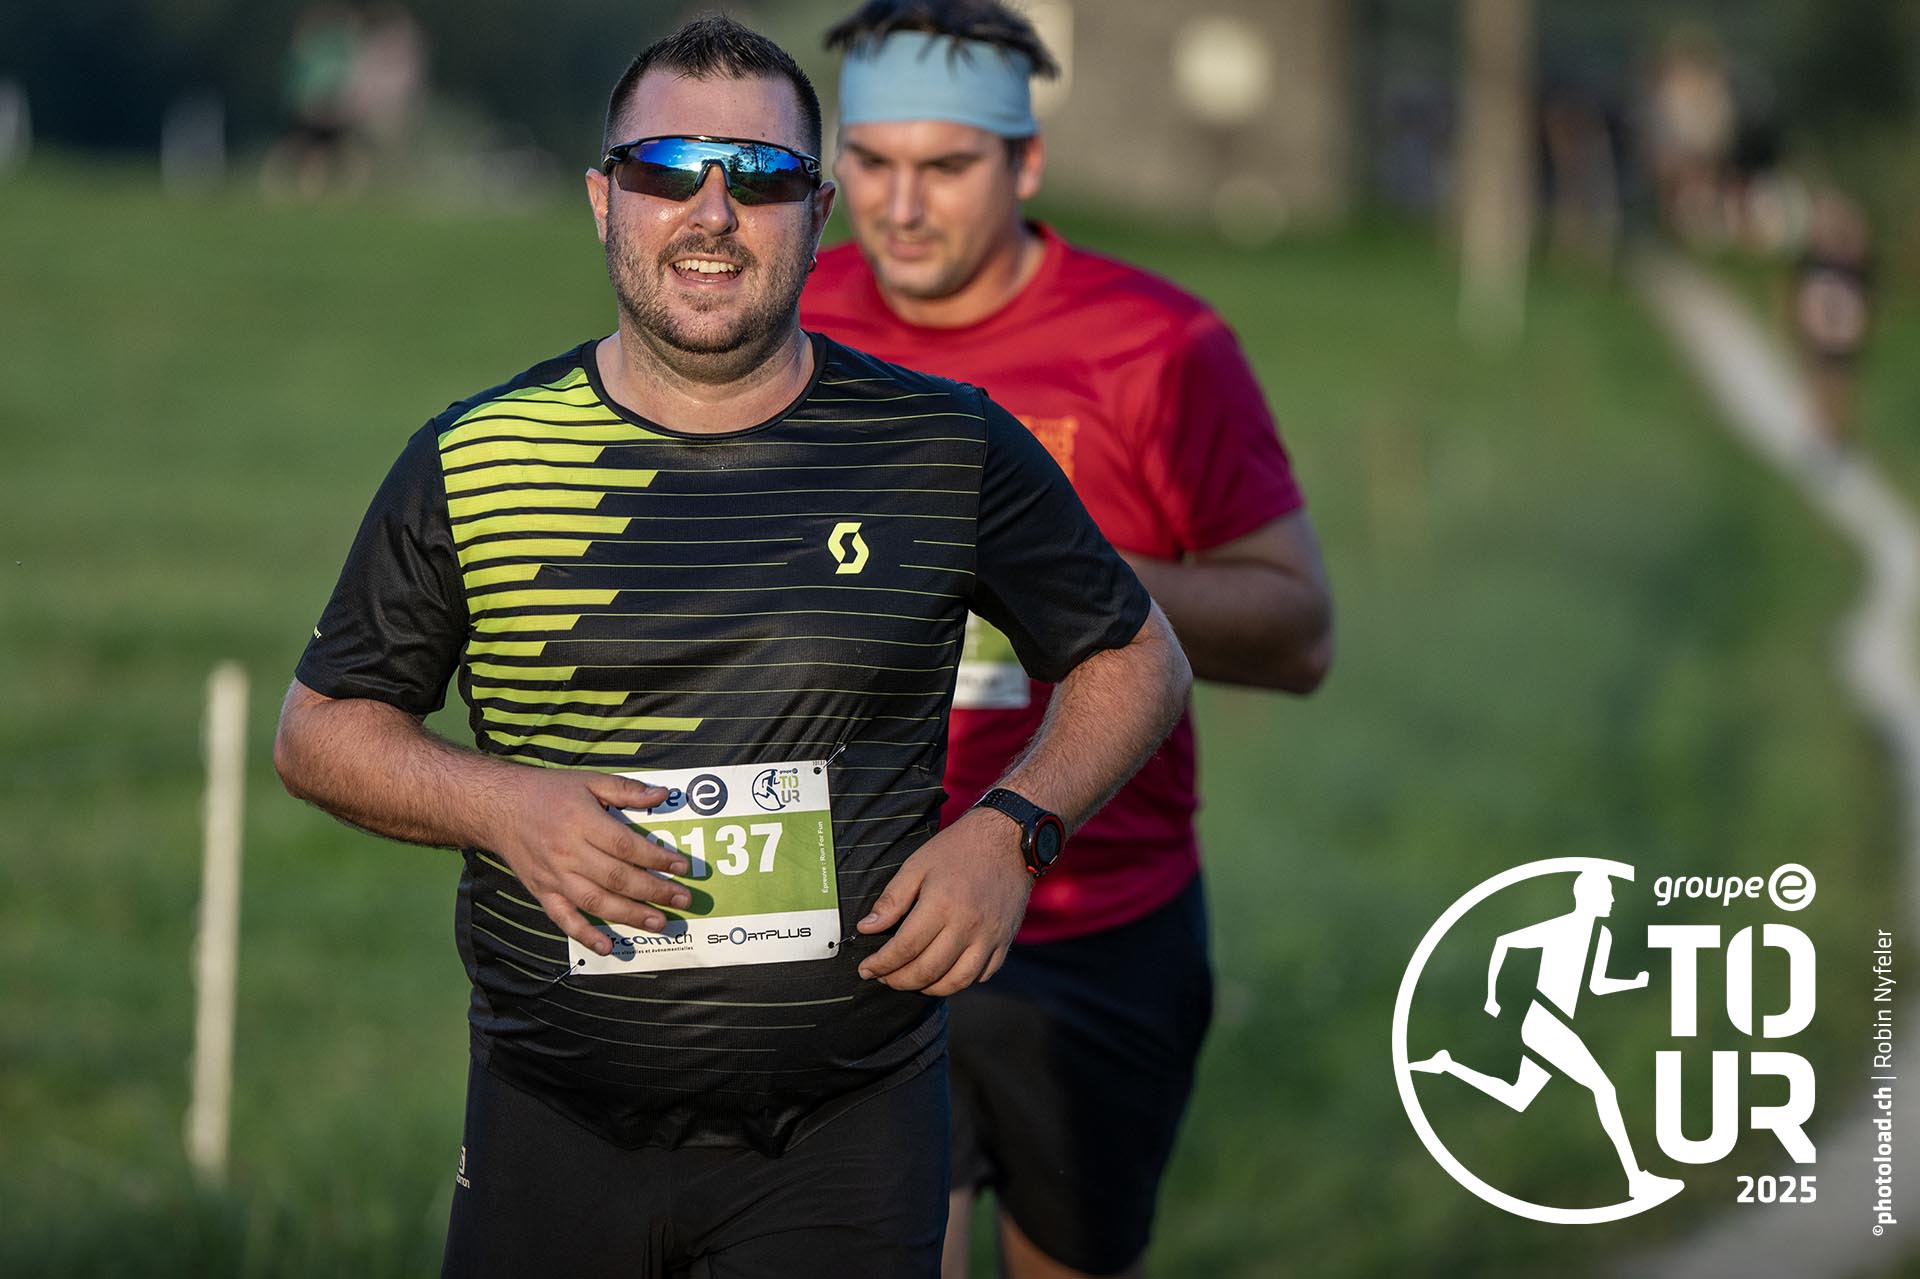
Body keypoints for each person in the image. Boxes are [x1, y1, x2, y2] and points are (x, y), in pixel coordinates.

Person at [272, 15, 1190, 1278]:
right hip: (550, 1123)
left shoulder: (942, 447)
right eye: (665, 170)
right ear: (604, 200)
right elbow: (319, 729)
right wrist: (503, 806)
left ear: (817, 213)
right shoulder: (477, 458)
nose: (712, 213)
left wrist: (1013, 831)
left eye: (758, 178)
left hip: (846, 1133)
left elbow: (1137, 657)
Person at [799, 4, 1333, 1276]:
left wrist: (1059, 573)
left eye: (945, 166)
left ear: (1026, 161)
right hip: (854, 912)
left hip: (1096, 920)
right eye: (871, 162)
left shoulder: (1162, 346)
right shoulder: (791, 322)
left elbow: (1298, 629)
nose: (900, 207)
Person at [1410, 871, 1684, 1206]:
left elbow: (1597, 985)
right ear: (1588, 897)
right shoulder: (1560, 928)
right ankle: (1636, 1180)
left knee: (1517, 1096)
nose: (1613, 899)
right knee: (1604, 1089)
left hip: (1554, 1024)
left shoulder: (1602, 935)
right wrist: (1491, 997)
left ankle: (1448, 1064)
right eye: (1607, 893)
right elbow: (1504, 942)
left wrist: (1634, 982)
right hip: (1545, 1022)